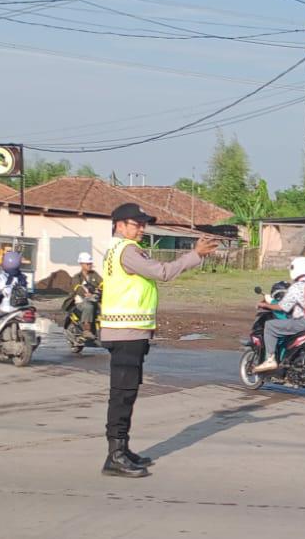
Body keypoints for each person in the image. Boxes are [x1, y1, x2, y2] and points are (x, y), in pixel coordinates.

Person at [98, 202, 218, 478]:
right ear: (120, 225)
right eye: (136, 224)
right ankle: (115, 455)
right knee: (122, 394)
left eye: (143, 224)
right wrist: (195, 255)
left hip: (128, 331)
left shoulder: (119, 248)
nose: (142, 229)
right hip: (125, 332)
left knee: (126, 393)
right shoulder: (127, 250)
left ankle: (122, 449)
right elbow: (163, 272)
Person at [251, 257, 305, 373]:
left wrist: (265, 304)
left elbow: (282, 307)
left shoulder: (297, 287)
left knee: (270, 326)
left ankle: (270, 359)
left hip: (304, 323)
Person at [65, 252, 103, 338]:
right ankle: (87, 330)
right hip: (81, 301)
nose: (90, 265)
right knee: (88, 306)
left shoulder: (94, 274)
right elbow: (77, 288)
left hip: (94, 298)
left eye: (90, 263)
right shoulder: (77, 277)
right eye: (87, 264)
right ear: (81, 264)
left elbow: (102, 283)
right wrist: (86, 293)